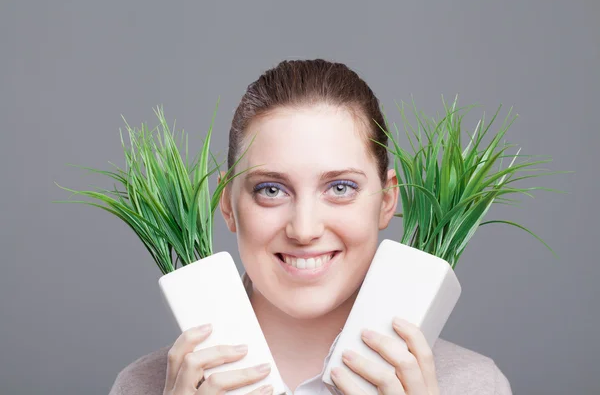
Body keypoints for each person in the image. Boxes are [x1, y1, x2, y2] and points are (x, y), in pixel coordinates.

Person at [108, 59, 512, 395]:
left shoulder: (473, 384)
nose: (304, 229)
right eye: (270, 189)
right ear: (228, 205)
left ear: (387, 200)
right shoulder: (143, 385)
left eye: (340, 187)